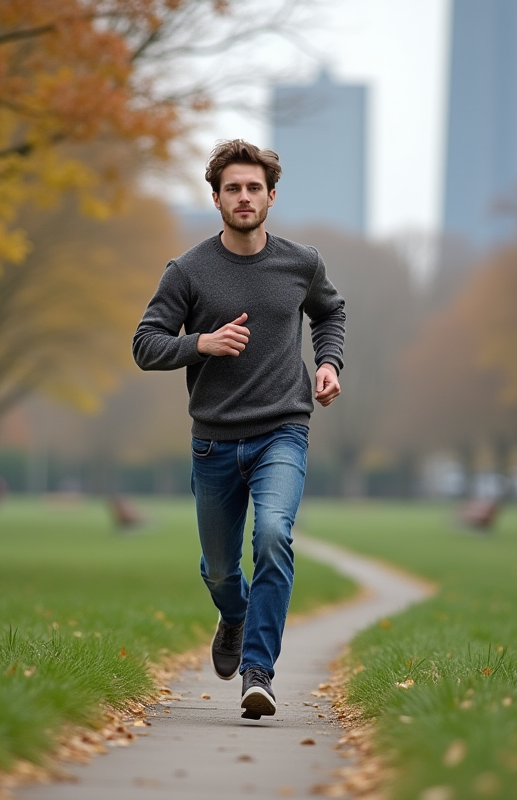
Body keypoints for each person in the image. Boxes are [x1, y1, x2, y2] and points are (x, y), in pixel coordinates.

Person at [132, 139, 345, 720]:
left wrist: (328, 363)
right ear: (217, 198)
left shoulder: (302, 263)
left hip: (283, 429)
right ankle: (232, 613)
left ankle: (259, 672)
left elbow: (329, 313)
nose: (244, 197)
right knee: (222, 570)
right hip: (214, 440)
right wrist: (202, 343)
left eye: (254, 187)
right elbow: (144, 345)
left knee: (274, 535)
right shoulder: (189, 270)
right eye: (233, 188)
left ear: (271, 196)